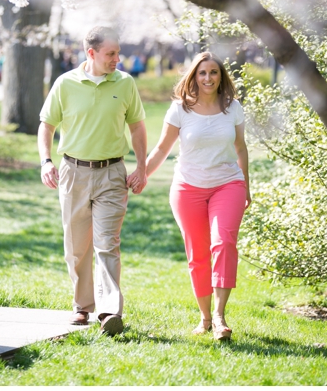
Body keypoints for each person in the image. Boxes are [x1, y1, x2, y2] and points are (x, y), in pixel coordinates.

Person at [38, 26, 148, 336]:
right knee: (76, 247)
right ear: (92, 53)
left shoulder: (125, 83)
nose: (117, 59)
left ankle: (109, 311)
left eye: (117, 53)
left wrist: (140, 167)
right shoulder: (65, 84)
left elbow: (138, 127)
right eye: (110, 54)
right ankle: (82, 305)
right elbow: (46, 126)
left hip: (113, 172)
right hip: (73, 172)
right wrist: (46, 161)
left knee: (107, 244)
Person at [143, 52, 250, 340]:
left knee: (224, 242)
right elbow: (162, 149)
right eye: (202, 73)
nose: (208, 78)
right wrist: (141, 174)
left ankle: (219, 315)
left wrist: (246, 185)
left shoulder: (233, 108)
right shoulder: (180, 109)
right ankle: (204, 317)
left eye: (213, 72)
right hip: (188, 187)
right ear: (193, 76)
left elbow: (240, 148)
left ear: (221, 76)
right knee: (198, 255)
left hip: (228, 184)